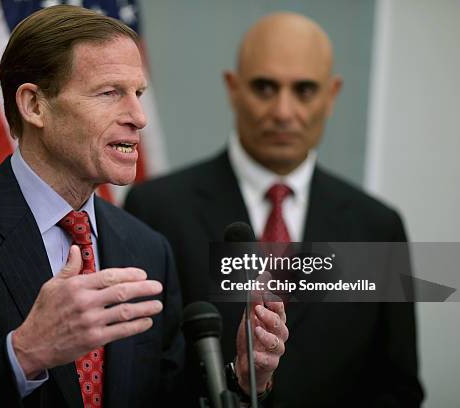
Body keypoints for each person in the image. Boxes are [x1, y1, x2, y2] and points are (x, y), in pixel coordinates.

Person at [0, 5, 287, 407]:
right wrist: (23, 354)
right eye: (109, 93)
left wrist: (244, 378)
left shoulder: (147, 248)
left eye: (138, 92)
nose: (138, 116)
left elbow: (165, 396)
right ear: (34, 105)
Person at [125, 12, 423, 407]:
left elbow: (399, 387)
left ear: (331, 95)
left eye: (304, 90)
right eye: (265, 87)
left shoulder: (377, 226)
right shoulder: (157, 210)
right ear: (233, 88)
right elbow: (139, 374)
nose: (283, 112)